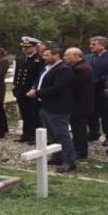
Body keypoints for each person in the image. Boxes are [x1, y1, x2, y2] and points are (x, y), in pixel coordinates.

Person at [27, 43, 76, 173]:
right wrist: (34, 87)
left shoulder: (63, 69)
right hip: (46, 106)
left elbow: (57, 88)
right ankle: (57, 156)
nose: (44, 57)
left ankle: (69, 161)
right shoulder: (46, 67)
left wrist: (37, 93)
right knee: (52, 134)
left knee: (61, 134)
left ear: (56, 55)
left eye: (47, 55)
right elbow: (39, 80)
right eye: (43, 55)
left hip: (58, 107)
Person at [85, 36, 108, 146]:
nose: (90, 46)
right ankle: (93, 133)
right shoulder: (88, 57)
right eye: (90, 44)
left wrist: (95, 82)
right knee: (91, 113)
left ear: (103, 45)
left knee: (107, 114)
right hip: (90, 91)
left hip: (103, 90)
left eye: (94, 44)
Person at [63, 47, 94, 160]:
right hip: (78, 103)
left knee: (79, 128)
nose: (65, 57)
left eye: (67, 55)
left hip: (80, 103)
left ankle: (80, 151)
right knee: (76, 128)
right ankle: (77, 147)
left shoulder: (81, 69)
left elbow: (72, 86)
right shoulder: (77, 67)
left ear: (76, 56)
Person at [12, 36, 43, 143]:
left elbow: (39, 76)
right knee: (24, 114)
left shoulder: (38, 59)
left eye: (27, 47)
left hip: (31, 90)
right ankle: (26, 134)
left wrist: (34, 88)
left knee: (33, 114)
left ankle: (34, 136)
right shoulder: (21, 58)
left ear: (34, 47)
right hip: (21, 90)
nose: (24, 49)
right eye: (23, 47)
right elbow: (17, 73)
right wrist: (15, 86)